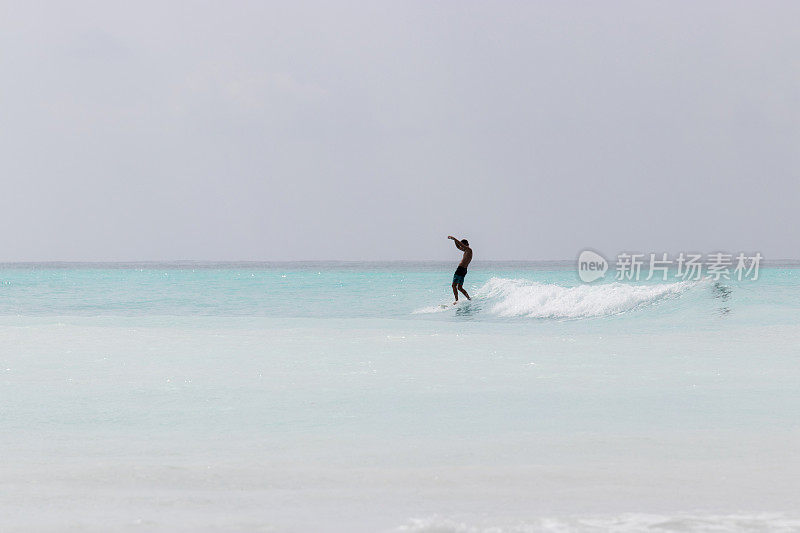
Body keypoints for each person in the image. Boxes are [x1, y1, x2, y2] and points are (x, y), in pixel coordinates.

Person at [447, 235, 472, 304]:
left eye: (463, 245)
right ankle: (469, 298)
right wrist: (454, 241)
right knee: (459, 288)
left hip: (460, 269)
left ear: (466, 244)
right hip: (464, 270)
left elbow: (460, 245)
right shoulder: (466, 251)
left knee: (453, 285)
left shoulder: (469, 250)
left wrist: (454, 238)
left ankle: (456, 300)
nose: (462, 247)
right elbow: (458, 247)